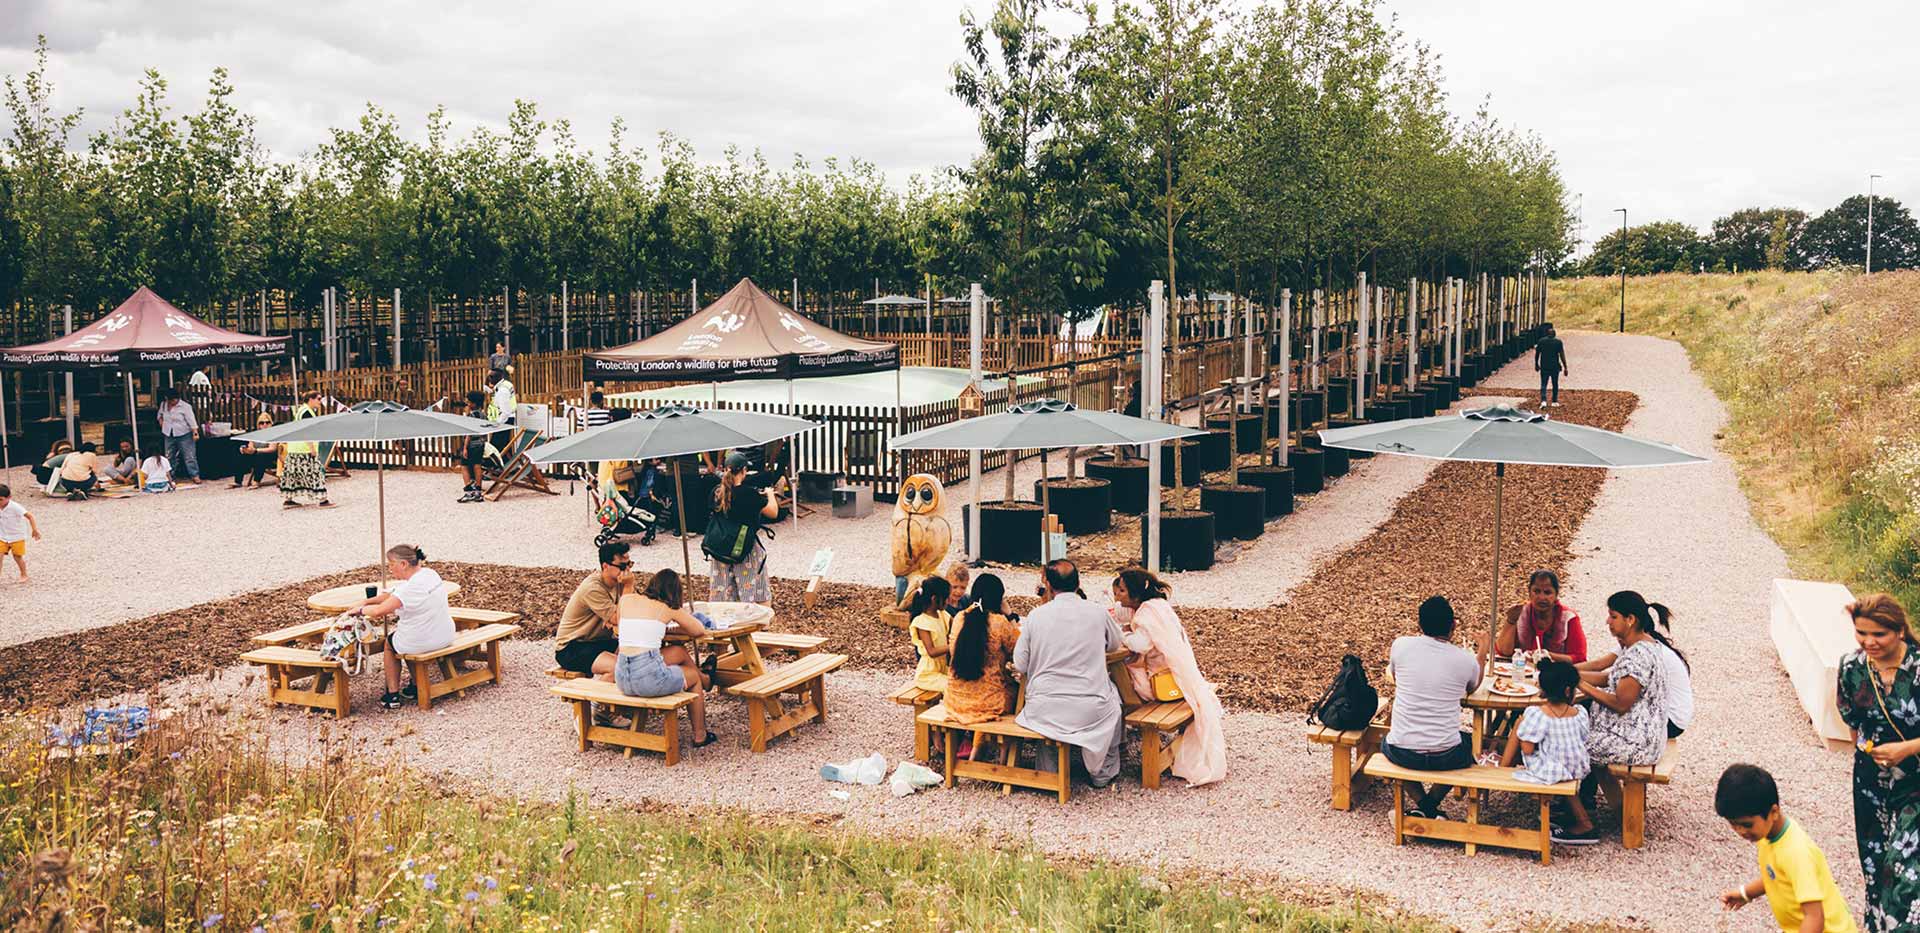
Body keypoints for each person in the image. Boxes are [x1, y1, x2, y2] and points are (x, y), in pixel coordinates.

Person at [1834, 594, 1920, 931]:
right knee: (1874, 863)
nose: (1869, 641)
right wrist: (1868, 750)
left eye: (1879, 634)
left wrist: (1906, 749)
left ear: (1899, 631)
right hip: (1871, 779)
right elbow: (1852, 721)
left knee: (1906, 868)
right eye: (1861, 633)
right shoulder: (1851, 667)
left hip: (1915, 780)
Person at [1013, 560, 1125, 788]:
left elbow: (1020, 664)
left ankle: (1049, 774)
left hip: (1044, 707)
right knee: (1114, 702)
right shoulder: (1097, 612)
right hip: (1090, 706)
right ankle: (1101, 771)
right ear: (1078, 583)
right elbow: (1115, 644)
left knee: (1046, 714)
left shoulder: (1036, 616)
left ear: (1048, 586)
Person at [1110, 567, 1227, 785]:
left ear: (1135, 595)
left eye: (1122, 591)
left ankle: (1116, 739)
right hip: (1173, 674)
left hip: (1159, 683)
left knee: (1116, 678)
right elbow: (1121, 613)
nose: (1118, 596)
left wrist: (1122, 635)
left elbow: (1141, 645)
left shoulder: (1146, 614)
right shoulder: (1158, 606)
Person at [1715, 763, 1858, 933]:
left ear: (1774, 812)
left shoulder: (1795, 852)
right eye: (1733, 824)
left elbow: (1815, 917)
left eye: (1747, 824)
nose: (1740, 831)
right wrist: (1746, 893)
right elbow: (1776, 875)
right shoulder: (1767, 834)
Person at [1383, 595, 1489, 819]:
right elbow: (1473, 686)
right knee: (1469, 744)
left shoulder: (1401, 645)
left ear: (1419, 624)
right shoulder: (1464, 659)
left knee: (1388, 742)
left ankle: (1424, 807)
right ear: (1453, 626)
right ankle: (1430, 805)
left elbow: (1395, 674)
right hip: (1445, 755)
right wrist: (1482, 652)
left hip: (1403, 752)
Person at [1578, 590, 1676, 822]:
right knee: (1577, 734)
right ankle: (1621, 813)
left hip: (1638, 742)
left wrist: (1579, 684)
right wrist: (1568, 673)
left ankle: (1579, 819)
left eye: (1613, 616)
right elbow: (1609, 678)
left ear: (1630, 619)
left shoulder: (1638, 656)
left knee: (1571, 745)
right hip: (1638, 735)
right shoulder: (1641, 645)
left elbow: (1621, 703)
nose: (1608, 621)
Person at [342, 544, 455, 710]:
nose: (390, 569)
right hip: (446, 635)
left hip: (422, 641)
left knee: (390, 643)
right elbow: (393, 594)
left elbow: (379, 611)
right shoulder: (430, 574)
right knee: (405, 637)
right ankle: (415, 685)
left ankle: (392, 695)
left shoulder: (409, 589)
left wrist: (358, 610)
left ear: (403, 564)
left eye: (391, 564)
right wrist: (366, 601)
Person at [614, 568, 718, 748]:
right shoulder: (667, 607)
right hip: (647, 681)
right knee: (692, 677)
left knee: (678, 651)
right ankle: (700, 735)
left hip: (622, 678)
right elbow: (699, 630)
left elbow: (626, 624)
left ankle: (706, 680)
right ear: (674, 592)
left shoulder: (626, 600)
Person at [1499, 659, 1597, 844]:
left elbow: (1527, 750)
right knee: (1558, 760)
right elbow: (1583, 738)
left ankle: (1500, 771)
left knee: (1520, 725)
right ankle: (1577, 818)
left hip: (1554, 770)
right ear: (1568, 691)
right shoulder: (1579, 712)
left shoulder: (1537, 713)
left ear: (1542, 689)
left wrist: (1523, 729)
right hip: (1578, 765)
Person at [556, 541, 636, 681]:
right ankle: (596, 696)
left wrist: (615, 618)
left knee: (637, 658)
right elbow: (620, 618)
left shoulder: (619, 582)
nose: (627, 571)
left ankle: (615, 694)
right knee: (621, 668)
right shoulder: (593, 588)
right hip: (572, 647)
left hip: (598, 641)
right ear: (605, 566)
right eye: (623, 566)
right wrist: (629, 586)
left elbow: (633, 611)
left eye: (629, 564)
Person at [708, 450, 777, 605]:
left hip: (720, 548)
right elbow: (773, 512)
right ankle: (755, 619)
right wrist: (770, 494)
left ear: (725, 469)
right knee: (756, 591)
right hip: (745, 548)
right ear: (744, 470)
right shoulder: (749, 494)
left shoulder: (716, 492)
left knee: (722, 593)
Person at [1489, 569, 1588, 663]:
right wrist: (1510, 621)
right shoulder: (1520, 613)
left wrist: (1549, 656)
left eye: (1547, 592)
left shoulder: (1568, 618)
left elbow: (1579, 657)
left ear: (1556, 595)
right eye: (1536, 591)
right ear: (1529, 593)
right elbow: (1504, 652)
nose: (1541, 597)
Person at [280, 390, 332, 508]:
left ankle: (288, 500)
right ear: (311, 399)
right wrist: (312, 448)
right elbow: (306, 431)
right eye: (318, 399)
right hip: (304, 449)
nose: (320, 402)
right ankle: (323, 500)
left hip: (295, 448)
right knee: (315, 473)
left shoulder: (302, 410)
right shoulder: (306, 412)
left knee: (292, 474)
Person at [906, 575, 953, 692]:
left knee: (965, 683)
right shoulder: (922, 622)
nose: (948, 601)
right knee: (954, 687)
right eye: (946, 598)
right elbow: (931, 652)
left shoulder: (943, 615)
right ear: (934, 599)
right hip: (927, 675)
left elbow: (956, 625)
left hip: (943, 669)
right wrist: (954, 645)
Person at [156, 387, 202, 486]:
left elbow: (191, 420)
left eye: (174, 400)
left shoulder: (185, 407)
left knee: (189, 455)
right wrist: (162, 423)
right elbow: (159, 415)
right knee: (169, 456)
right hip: (169, 433)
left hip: (184, 433)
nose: (172, 402)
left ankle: (194, 475)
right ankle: (170, 476)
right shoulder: (163, 405)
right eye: (170, 400)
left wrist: (195, 432)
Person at [0, 484, 40, 582]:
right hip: (3, 536)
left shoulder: (15, 507)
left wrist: (34, 529)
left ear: (9, 497)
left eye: (0, 499)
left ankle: (24, 574)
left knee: (17, 556)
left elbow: (30, 516)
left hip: (17, 536)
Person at [455, 391, 490, 503]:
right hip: (480, 443)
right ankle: (478, 492)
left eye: (468, 401)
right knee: (477, 466)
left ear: (473, 403)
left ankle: (468, 492)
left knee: (464, 466)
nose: (467, 403)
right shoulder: (483, 415)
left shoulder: (471, 416)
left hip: (471, 443)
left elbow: (469, 433)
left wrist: (465, 447)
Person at [233, 413, 280, 488]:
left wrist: (256, 450)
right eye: (262, 423)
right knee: (241, 454)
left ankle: (256, 481)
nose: (265, 425)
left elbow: (272, 448)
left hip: (270, 456)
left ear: (271, 423)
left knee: (260, 456)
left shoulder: (274, 434)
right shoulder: (255, 434)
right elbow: (250, 446)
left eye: (267, 422)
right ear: (259, 425)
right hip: (256, 455)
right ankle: (238, 481)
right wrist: (245, 450)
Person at [1534, 324, 1569, 408]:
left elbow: (1537, 354)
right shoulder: (1558, 342)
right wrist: (1565, 367)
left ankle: (1543, 401)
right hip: (1555, 366)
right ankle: (1554, 401)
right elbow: (1562, 355)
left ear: (1547, 334)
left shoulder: (1541, 341)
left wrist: (1536, 364)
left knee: (1543, 384)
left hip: (1544, 366)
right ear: (1555, 335)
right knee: (1555, 384)